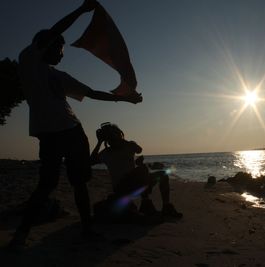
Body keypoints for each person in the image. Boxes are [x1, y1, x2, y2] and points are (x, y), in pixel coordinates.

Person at [9, 0, 142, 248]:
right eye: (60, 48)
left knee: (79, 183)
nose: (62, 52)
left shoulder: (59, 76)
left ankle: (87, 230)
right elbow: (54, 31)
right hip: (49, 135)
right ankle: (21, 234)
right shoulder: (29, 61)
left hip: (73, 132)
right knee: (46, 185)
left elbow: (91, 93)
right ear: (47, 46)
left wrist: (126, 100)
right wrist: (82, 10)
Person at [90, 123, 182, 219]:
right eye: (111, 136)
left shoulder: (124, 147)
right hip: (122, 188)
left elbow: (139, 150)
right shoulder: (107, 152)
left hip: (135, 183)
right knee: (142, 170)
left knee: (162, 175)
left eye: (114, 134)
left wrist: (107, 141)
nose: (114, 138)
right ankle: (146, 202)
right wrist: (99, 142)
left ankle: (165, 206)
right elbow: (90, 162)